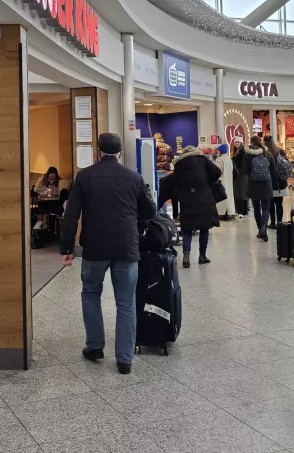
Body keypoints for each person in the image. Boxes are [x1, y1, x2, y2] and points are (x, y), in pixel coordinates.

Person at [60, 133, 156, 375]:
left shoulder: (85, 176)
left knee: (91, 293)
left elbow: (71, 214)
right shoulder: (133, 177)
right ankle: (124, 360)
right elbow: (149, 212)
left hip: (94, 247)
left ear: (97, 152)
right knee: (126, 302)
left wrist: (67, 247)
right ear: (120, 152)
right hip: (126, 246)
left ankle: (95, 347)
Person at [159, 145, 220, 268]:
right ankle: (202, 256)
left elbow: (176, 182)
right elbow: (217, 172)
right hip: (204, 196)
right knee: (204, 227)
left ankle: (186, 254)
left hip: (186, 198)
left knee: (187, 227)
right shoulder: (202, 159)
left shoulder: (179, 164)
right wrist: (206, 180)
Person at [244, 135, 276, 242]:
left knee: (257, 208)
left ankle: (260, 231)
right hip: (266, 184)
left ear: (251, 142)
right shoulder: (267, 154)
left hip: (253, 185)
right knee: (266, 208)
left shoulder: (248, 155)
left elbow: (245, 170)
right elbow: (273, 169)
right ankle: (263, 229)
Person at [265, 136, 290, 230]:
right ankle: (279, 222)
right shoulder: (279, 151)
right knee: (279, 204)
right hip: (281, 182)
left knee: (271, 204)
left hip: (270, 182)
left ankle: (272, 222)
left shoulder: (266, 153)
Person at [215, 143, 236, 220]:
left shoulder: (219, 159)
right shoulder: (229, 159)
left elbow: (217, 171)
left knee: (222, 197)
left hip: (222, 181)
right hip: (229, 180)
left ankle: (223, 213)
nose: (217, 152)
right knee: (230, 196)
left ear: (221, 151)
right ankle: (230, 212)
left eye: (218, 151)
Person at [231, 138, 250, 218]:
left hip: (241, 175)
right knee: (242, 193)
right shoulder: (235, 152)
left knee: (240, 193)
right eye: (235, 142)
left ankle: (241, 211)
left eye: (238, 142)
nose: (236, 143)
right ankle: (243, 211)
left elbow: (242, 164)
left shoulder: (242, 152)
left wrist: (239, 172)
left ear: (241, 143)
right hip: (239, 175)